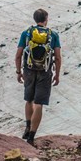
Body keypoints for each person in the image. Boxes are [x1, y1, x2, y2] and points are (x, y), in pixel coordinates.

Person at [14, 8, 62, 145]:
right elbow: (57, 58)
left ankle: (27, 127)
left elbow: (18, 55)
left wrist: (19, 72)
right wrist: (57, 75)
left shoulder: (27, 33)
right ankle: (31, 137)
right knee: (39, 103)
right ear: (46, 19)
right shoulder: (53, 35)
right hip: (44, 71)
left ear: (35, 19)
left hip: (28, 70)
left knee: (29, 99)